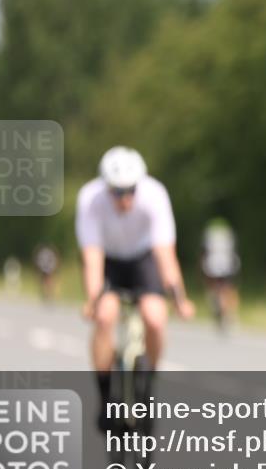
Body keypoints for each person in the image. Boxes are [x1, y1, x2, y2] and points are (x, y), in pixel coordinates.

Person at [75, 146, 195, 431]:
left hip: (144, 258)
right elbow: (92, 258)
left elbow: (165, 255)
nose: (125, 198)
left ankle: (148, 381)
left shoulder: (155, 195)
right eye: (117, 192)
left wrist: (180, 299)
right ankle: (105, 398)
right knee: (105, 317)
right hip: (110, 260)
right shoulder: (90, 200)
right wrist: (93, 300)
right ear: (106, 188)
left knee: (155, 317)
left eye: (130, 191)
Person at [200, 217, 241, 331]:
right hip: (228, 266)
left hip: (212, 266)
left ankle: (219, 310)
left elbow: (204, 252)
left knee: (215, 289)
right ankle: (229, 314)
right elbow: (234, 251)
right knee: (229, 290)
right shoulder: (229, 235)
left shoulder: (209, 236)